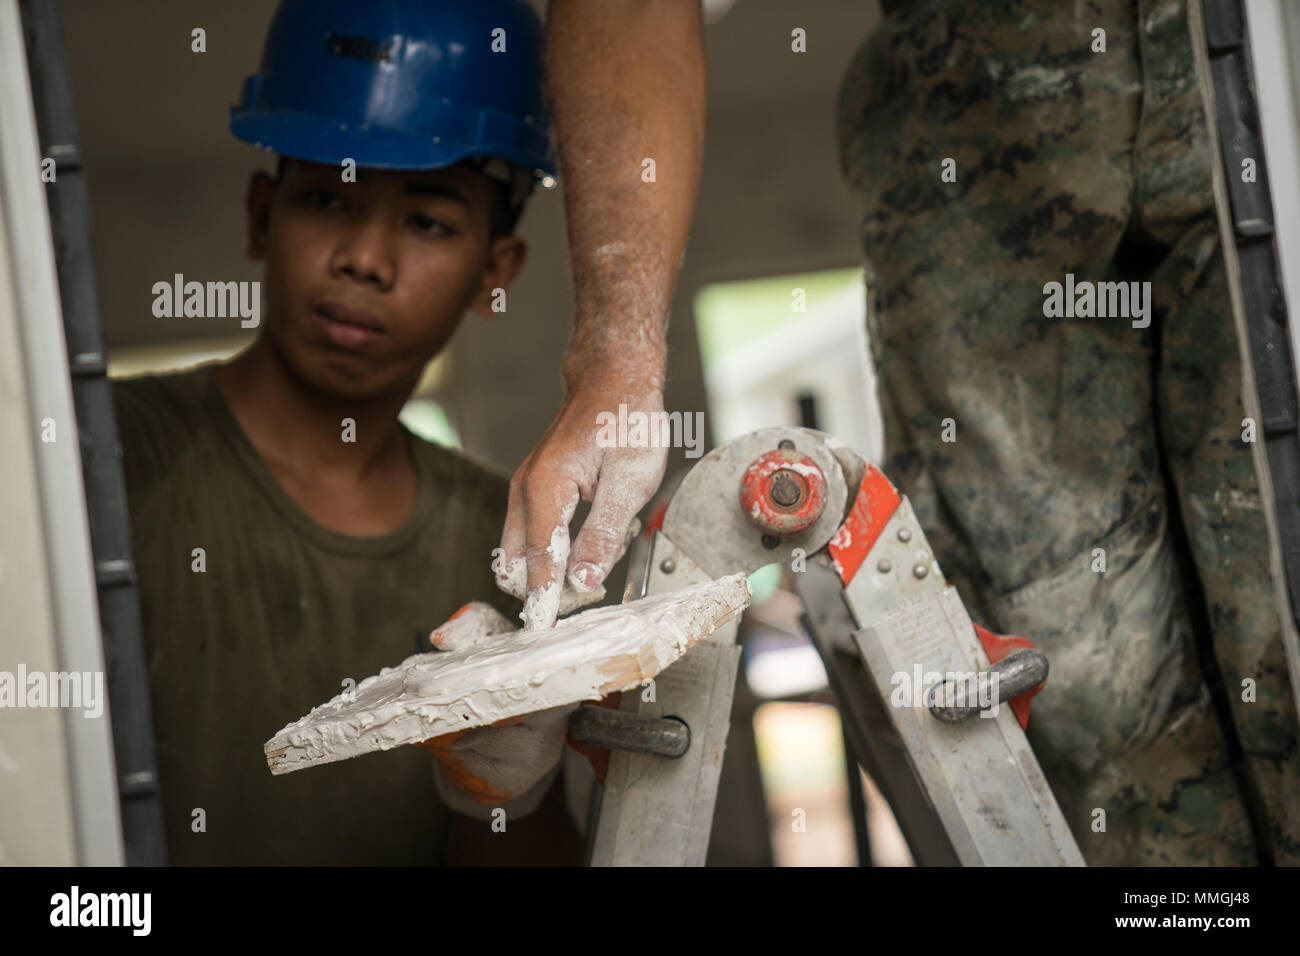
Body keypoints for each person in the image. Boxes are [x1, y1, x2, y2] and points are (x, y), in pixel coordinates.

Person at [516, 0, 1299, 864]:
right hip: (973, 112)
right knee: (1075, 693)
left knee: (1278, 640)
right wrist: (613, 366)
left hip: (1257, 69)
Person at [113, 0, 572, 864]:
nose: (366, 258)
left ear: (493, 272)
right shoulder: (100, 454)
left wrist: (505, 787)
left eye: (428, 221)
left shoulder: (513, 546)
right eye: (327, 198)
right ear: (261, 216)